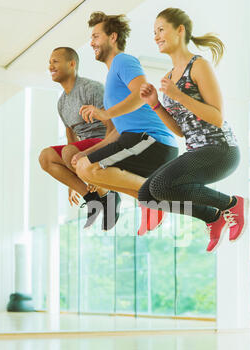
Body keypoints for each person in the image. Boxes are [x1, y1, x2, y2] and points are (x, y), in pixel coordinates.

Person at [138, 7, 248, 252]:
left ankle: (232, 204)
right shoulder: (169, 75)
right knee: (147, 195)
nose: (156, 36)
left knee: (161, 187)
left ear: (180, 30)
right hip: (195, 149)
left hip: (220, 149)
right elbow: (181, 130)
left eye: (160, 30)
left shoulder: (199, 66)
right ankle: (213, 217)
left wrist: (177, 95)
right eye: (153, 32)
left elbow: (217, 118)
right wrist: (156, 103)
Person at [71, 12, 178, 235]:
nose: (91, 43)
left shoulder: (123, 60)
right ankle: (148, 201)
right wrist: (86, 152)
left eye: (96, 36)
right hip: (134, 139)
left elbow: (141, 95)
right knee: (84, 168)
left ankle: (152, 199)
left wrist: (104, 113)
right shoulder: (112, 77)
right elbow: (116, 134)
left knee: (88, 168)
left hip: (152, 140)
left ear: (112, 37)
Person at [39, 46, 120, 230]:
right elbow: (71, 136)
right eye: (49, 62)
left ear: (72, 64)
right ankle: (92, 200)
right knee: (45, 157)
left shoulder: (91, 88)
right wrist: (73, 180)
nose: (50, 65)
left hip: (104, 141)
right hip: (81, 150)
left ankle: (109, 196)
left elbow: (112, 125)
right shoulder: (61, 102)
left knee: (70, 151)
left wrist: (90, 170)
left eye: (55, 61)